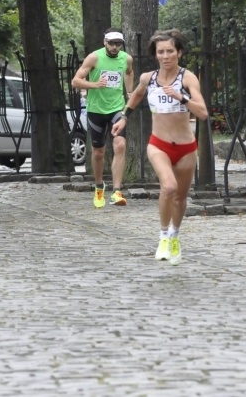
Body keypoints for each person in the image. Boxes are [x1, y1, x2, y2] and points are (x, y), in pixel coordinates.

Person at [112, 29, 208, 266]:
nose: (165, 56)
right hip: (159, 144)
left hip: (186, 147)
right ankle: (163, 236)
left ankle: (175, 234)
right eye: (160, 52)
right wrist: (124, 117)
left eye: (170, 51)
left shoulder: (188, 78)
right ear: (155, 55)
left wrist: (181, 97)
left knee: (180, 198)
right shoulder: (148, 78)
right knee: (168, 186)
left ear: (179, 53)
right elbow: (135, 96)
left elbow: (204, 113)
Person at [71, 28, 134, 208]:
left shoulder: (126, 59)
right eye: (111, 43)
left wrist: (129, 91)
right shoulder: (94, 58)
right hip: (96, 109)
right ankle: (99, 187)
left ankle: (116, 191)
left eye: (118, 44)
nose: (114, 47)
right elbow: (76, 81)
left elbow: (129, 72)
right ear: (104, 42)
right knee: (99, 151)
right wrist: (94, 84)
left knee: (120, 144)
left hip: (117, 109)